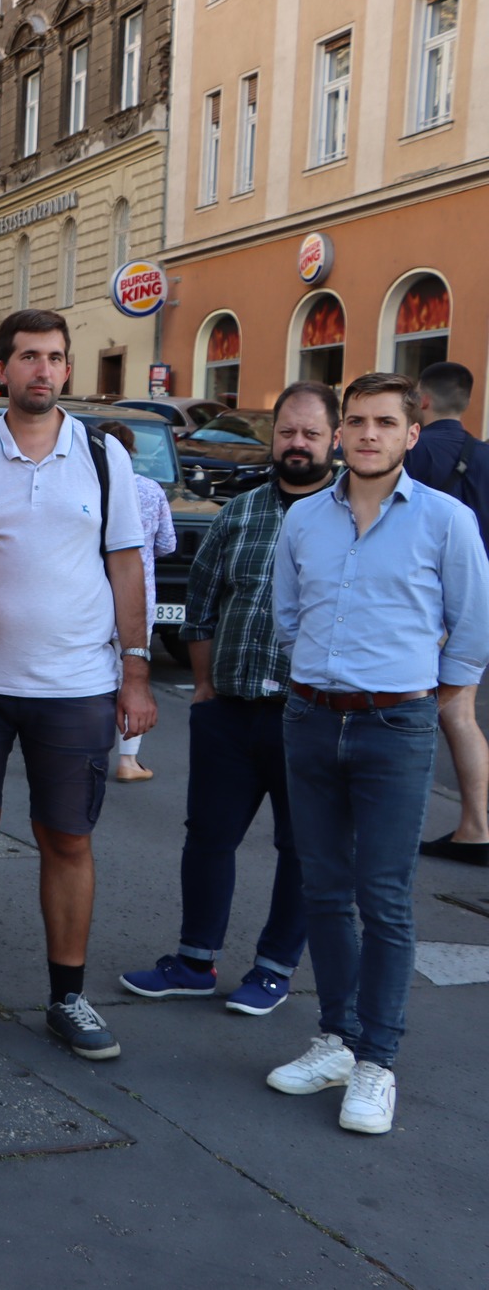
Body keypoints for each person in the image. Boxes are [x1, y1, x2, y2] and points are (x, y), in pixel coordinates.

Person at [0, 309, 150, 1063]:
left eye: (54, 357)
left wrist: (137, 667)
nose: (42, 370)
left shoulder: (105, 457)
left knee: (68, 839)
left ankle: (68, 995)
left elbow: (125, 566)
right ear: (4, 368)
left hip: (77, 682)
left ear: (68, 368)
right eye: (27, 357)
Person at [267, 372, 489, 1135]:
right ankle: (337, 1035)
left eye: (384, 423)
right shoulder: (304, 520)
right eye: (355, 421)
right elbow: (288, 614)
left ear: (410, 434)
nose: (367, 434)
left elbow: (471, 625)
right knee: (323, 888)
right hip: (310, 717)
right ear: (338, 432)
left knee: (385, 899)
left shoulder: (445, 520)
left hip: (396, 725)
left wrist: (443, 695)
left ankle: (377, 1061)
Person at [120, 383, 338, 1016]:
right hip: (231, 713)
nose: (297, 444)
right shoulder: (239, 513)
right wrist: (207, 689)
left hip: (311, 719)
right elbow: (201, 608)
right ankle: (194, 961)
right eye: (288, 433)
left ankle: (273, 970)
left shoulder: (350, 518)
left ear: (333, 441)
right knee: (208, 838)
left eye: (311, 434)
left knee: (302, 849)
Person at [404, 361, 489, 866]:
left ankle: (473, 826)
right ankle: (475, 825)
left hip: (425, 602)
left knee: (401, 710)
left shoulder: (413, 452)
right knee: (459, 711)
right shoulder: (483, 454)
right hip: (476, 598)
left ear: (423, 400)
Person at [98, 422, 176, 783]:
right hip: (137, 596)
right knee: (133, 673)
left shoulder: (94, 486)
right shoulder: (149, 490)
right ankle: (129, 760)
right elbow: (168, 544)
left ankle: (91, 747)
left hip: (94, 592)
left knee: (95, 677)